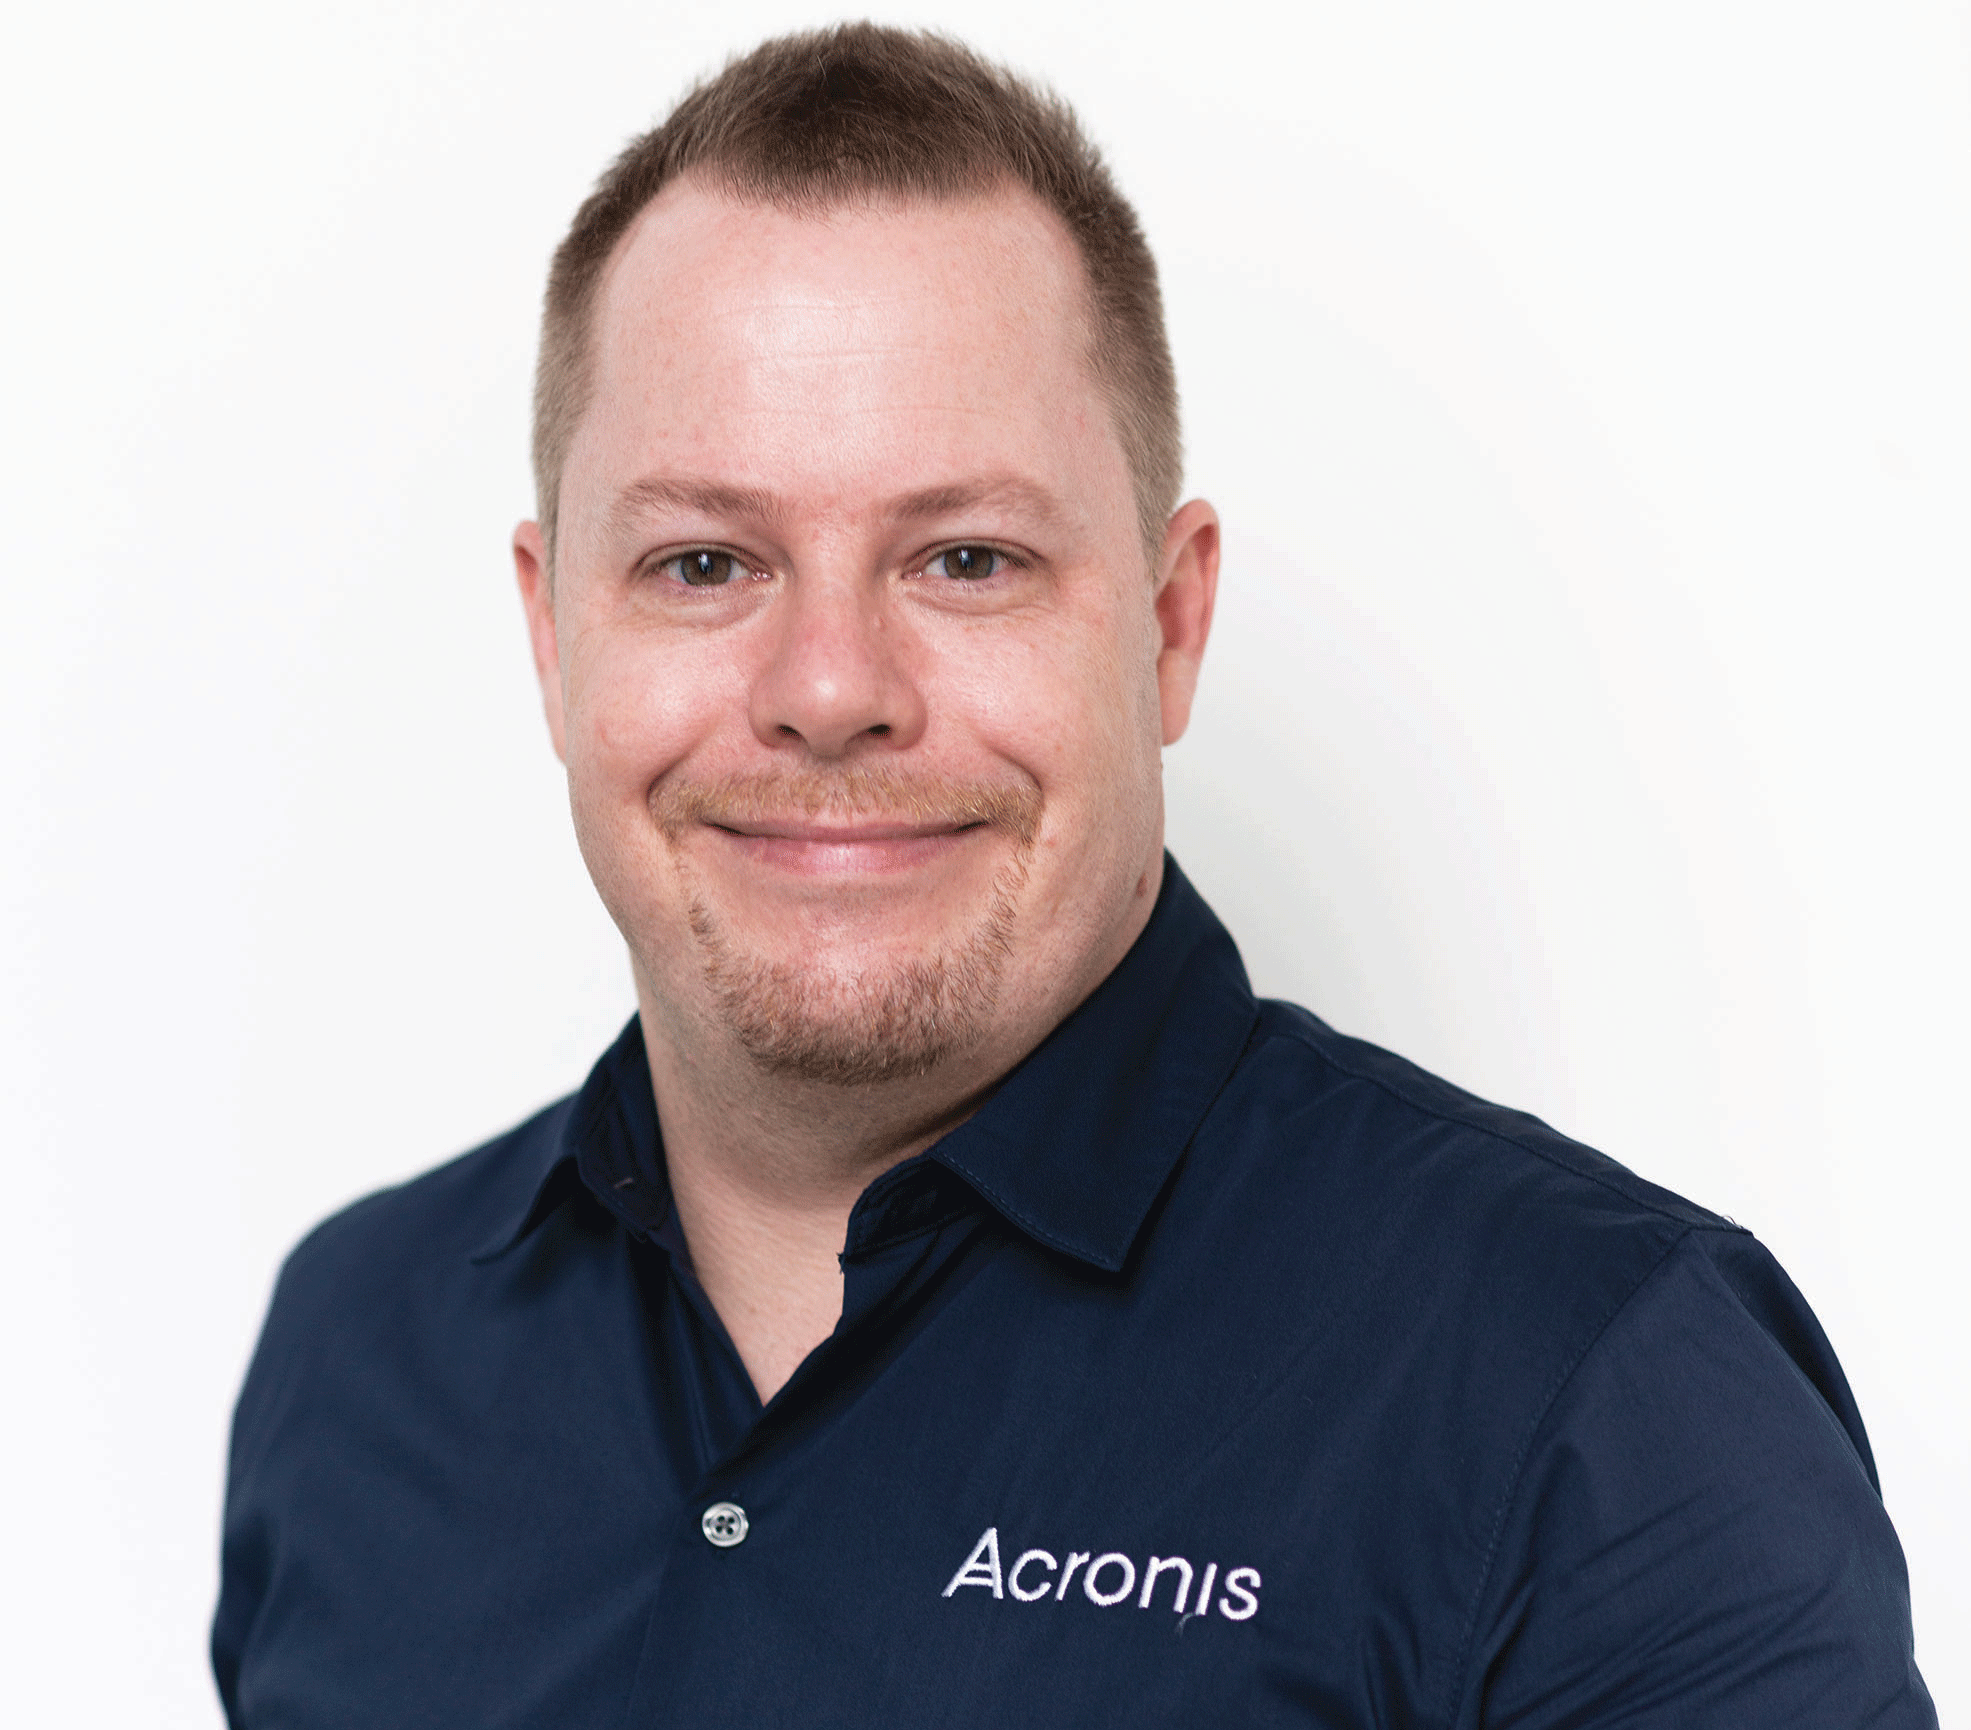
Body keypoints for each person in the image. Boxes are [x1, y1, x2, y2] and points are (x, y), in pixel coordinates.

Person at [212, 23, 1934, 1728]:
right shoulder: (356, 1358)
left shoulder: (1596, 1396)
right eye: (704, 562)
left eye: (967, 558)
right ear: (551, 635)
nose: (830, 687)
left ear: (1169, 625)